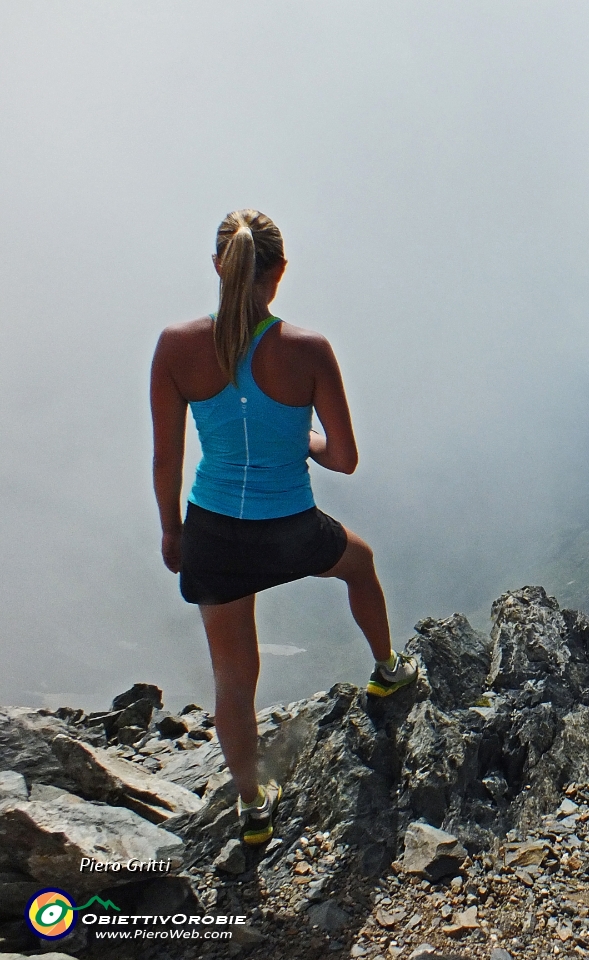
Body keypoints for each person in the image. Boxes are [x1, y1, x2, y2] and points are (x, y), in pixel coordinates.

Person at [150, 209, 418, 846]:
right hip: (289, 527)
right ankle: (387, 668)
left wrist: (171, 532)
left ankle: (252, 807)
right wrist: (308, 440)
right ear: (279, 272)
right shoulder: (307, 351)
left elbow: (166, 456)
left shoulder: (176, 346)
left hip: (212, 533)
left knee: (234, 679)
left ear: (219, 266)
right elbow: (345, 459)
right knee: (360, 563)